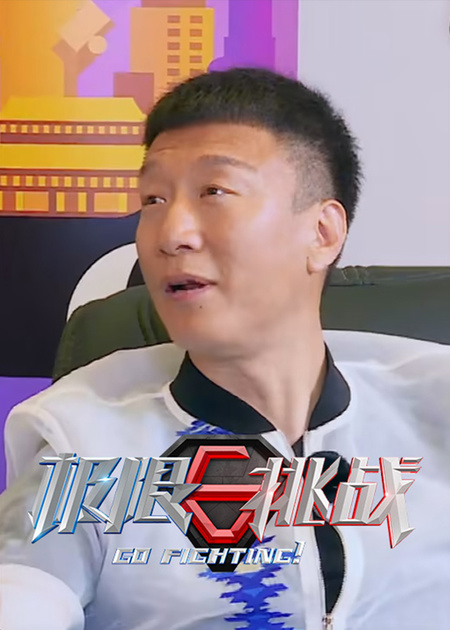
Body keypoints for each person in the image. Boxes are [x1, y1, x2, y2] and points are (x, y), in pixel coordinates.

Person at [1, 67, 449, 630]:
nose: (171, 234)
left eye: (214, 191)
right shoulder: (86, 448)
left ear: (322, 233)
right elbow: (23, 590)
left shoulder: (434, 410)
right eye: (153, 199)